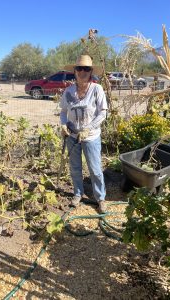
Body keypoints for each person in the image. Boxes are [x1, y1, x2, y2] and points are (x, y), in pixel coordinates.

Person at [59, 54, 108, 213]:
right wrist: (63, 124)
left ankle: (100, 198)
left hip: (91, 137)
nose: (82, 71)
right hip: (72, 137)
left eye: (86, 69)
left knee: (95, 169)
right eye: (79, 68)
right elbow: (63, 111)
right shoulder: (68, 91)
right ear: (74, 70)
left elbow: (103, 113)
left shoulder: (96, 89)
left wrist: (88, 129)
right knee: (75, 168)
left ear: (91, 71)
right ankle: (78, 194)